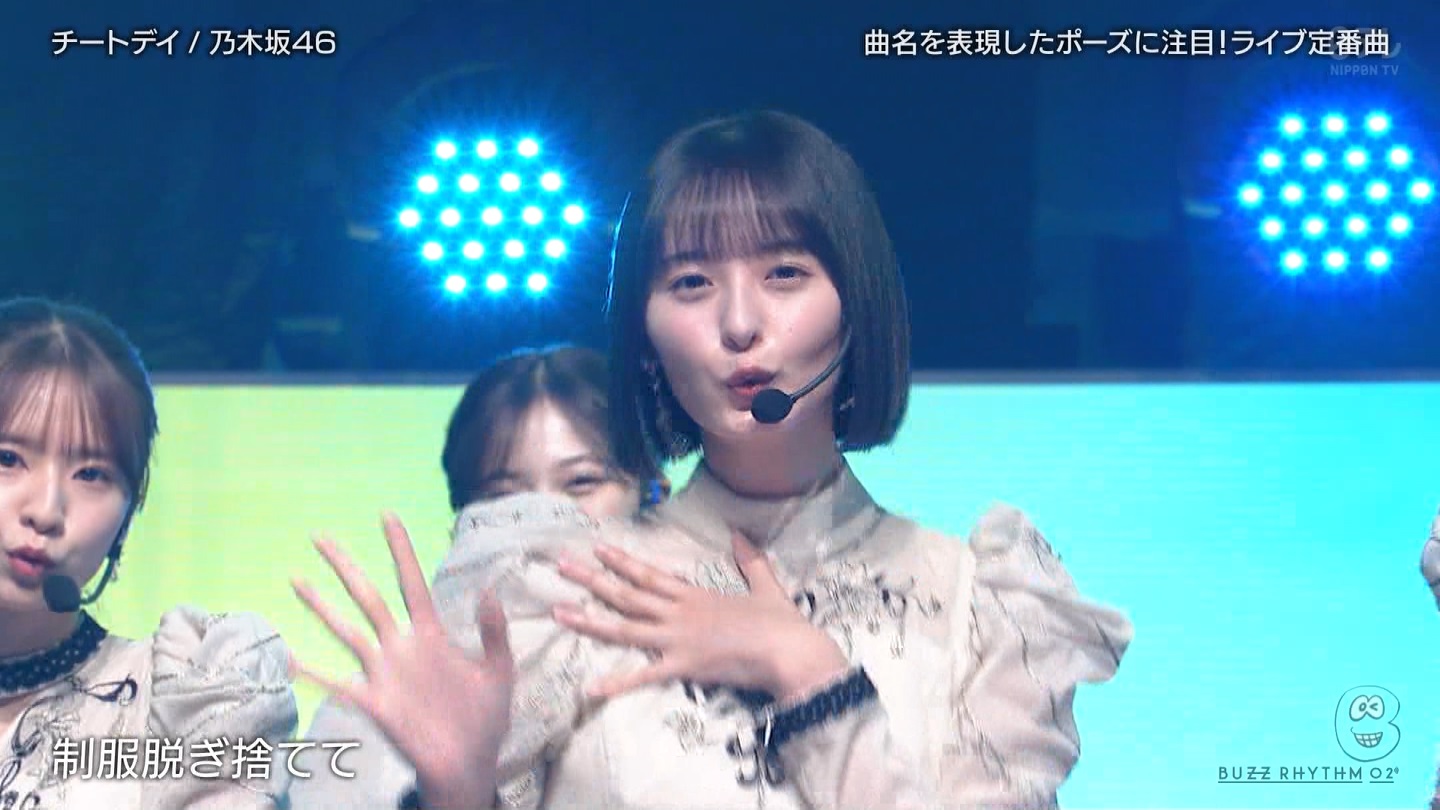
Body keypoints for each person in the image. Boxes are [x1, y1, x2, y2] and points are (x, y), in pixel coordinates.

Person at [290, 110, 1134, 809]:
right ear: (645, 335)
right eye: (691, 283)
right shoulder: (566, 592)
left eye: (784, 273)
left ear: (856, 304)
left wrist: (807, 670)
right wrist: (457, 793)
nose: (739, 324)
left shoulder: (977, 603)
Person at [286, 344, 665, 808]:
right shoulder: (383, 702)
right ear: (462, 520)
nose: (543, 513)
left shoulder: (696, 665)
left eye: (581, 483)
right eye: (504, 495)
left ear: (653, 495)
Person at [0, 296, 296, 808]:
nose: (45, 511)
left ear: (129, 512)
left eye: (91, 474)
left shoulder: (186, 696)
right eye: (7, 458)